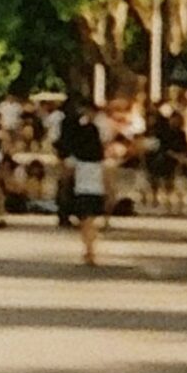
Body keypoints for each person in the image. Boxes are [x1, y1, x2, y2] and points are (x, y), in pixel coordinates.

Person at [60, 97, 114, 266]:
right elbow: (108, 179)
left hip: (81, 191)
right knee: (91, 222)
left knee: (85, 223)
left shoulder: (75, 160)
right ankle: (91, 250)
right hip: (97, 192)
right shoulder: (101, 162)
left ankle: (88, 250)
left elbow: (66, 176)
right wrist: (110, 195)